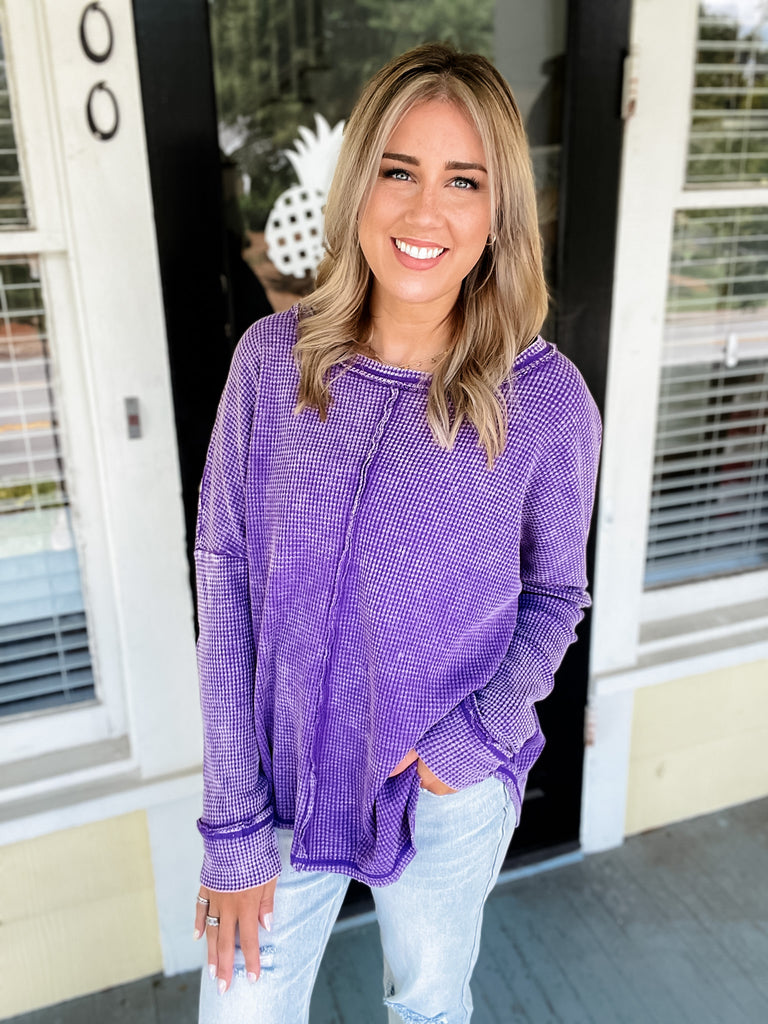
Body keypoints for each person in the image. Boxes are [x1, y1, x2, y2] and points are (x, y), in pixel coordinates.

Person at [192, 42, 601, 1024]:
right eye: (399, 171)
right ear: (358, 187)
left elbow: (556, 596)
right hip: (280, 785)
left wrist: (469, 742)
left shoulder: (546, 402)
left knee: (427, 1008)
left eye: (464, 181)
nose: (425, 212)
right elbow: (225, 576)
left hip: (443, 786)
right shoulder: (271, 364)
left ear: (499, 212)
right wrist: (232, 826)